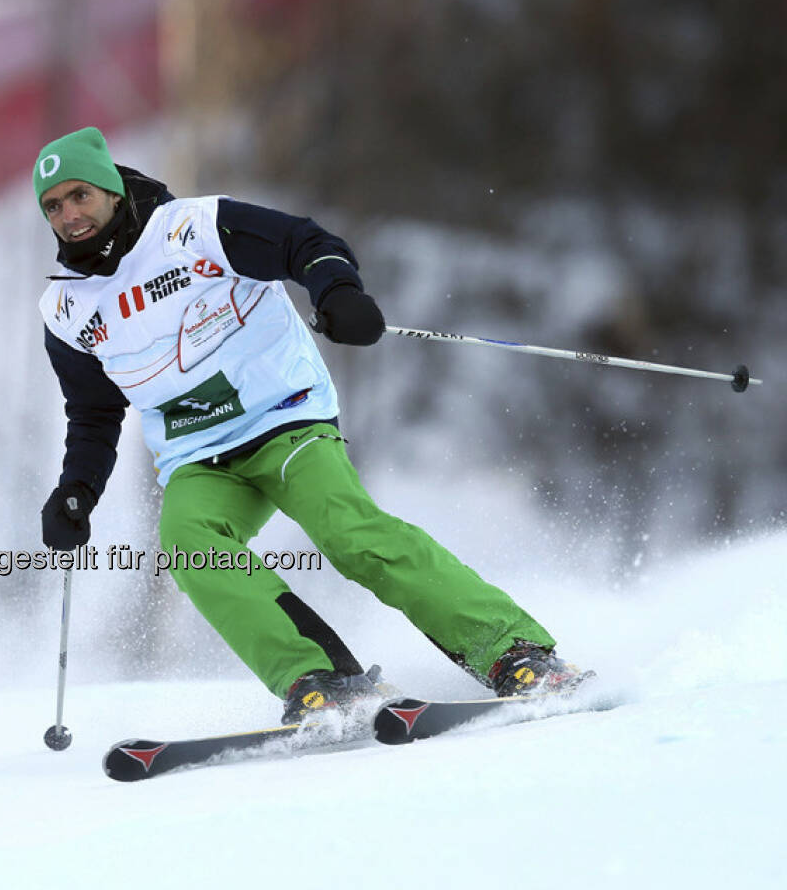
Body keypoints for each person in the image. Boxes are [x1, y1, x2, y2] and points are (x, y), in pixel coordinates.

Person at [32, 126, 587, 725]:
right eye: (53, 206)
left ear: (112, 191)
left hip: (284, 419)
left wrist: (339, 291)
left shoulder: (192, 229)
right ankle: (322, 679)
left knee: (347, 531)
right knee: (190, 547)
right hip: (197, 455)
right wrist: (77, 490)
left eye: (80, 194)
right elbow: (93, 412)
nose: (70, 215)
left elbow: (304, 242)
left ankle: (516, 652)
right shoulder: (67, 309)